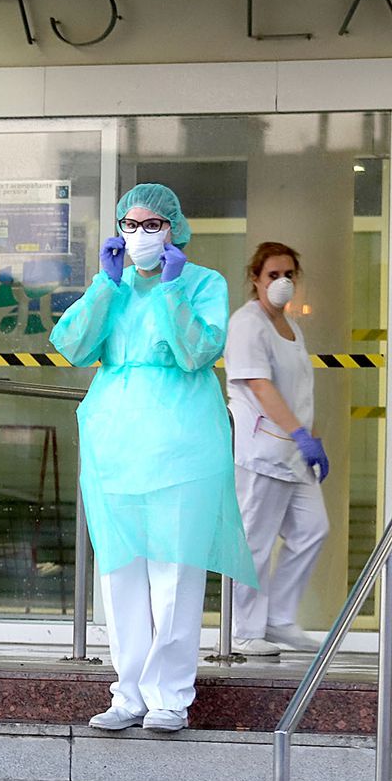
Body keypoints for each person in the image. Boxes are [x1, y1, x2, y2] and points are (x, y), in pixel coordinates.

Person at [50, 183, 256, 734]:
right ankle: (128, 693)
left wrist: (170, 291)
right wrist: (103, 286)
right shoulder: (111, 287)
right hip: (115, 446)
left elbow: (196, 352)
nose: (140, 235)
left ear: (173, 228)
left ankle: (170, 697)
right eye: (130, 225)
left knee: (175, 570)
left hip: (183, 445)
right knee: (120, 571)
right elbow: (71, 345)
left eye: (151, 225)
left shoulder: (202, 283)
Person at [225, 241, 328, 658]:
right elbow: (260, 386)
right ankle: (245, 631)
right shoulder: (248, 324)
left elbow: (298, 390)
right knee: (255, 542)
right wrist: (299, 435)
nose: (282, 282)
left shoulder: (290, 326)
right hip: (262, 450)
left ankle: (279, 619)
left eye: (289, 275)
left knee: (313, 529)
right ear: (255, 279)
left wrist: (311, 437)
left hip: (293, 452)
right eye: (273, 275)